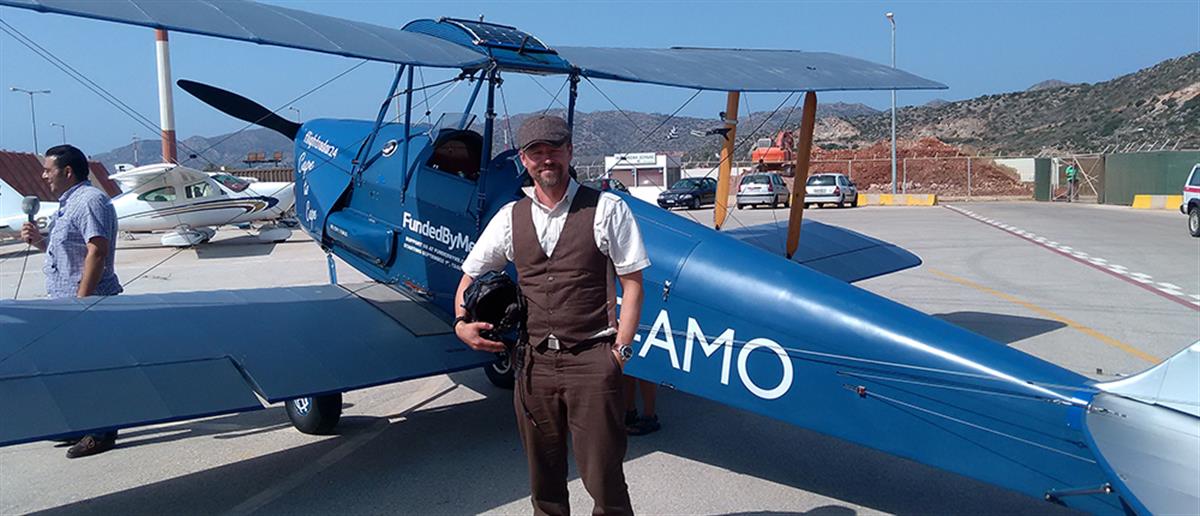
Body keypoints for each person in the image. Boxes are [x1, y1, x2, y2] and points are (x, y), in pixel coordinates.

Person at [455, 115, 649, 515]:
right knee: (544, 483)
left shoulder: (607, 208)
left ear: (570, 152)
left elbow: (632, 284)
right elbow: (469, 276)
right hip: (534, 363)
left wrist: (620, 353)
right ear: (524, 160)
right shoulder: (510, 217)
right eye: (536, 152)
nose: (546, 159)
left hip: (592, 359)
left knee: (604, 479)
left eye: (554, 149)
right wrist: (461, 323)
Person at [20, 144, 122, 459]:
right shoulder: (69, 203)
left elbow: (97, 251)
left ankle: (101, 432)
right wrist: (40, 242)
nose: (43, 175)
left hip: (87, 302)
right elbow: (69, 250)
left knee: (94, 368)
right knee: (75, 367)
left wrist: (82, 303)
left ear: (67, 171)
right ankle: (83, 424)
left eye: (47, 170)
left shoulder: (90, 201)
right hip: (68, 301)